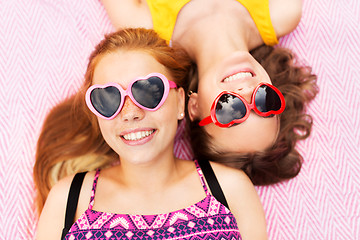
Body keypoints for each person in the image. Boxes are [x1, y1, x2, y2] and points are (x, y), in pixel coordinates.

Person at [35, 28, 267, 240]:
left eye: (148, 92)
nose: (130, 113)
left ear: (179, 102)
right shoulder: (68, 200)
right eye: (108, 98)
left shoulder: (230, 189)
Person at [101, 0, 318, 184]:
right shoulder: (282, 13)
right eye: (264, 101)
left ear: (193, 106)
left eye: (230, 108)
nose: (245, 90)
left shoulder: (145, 29)